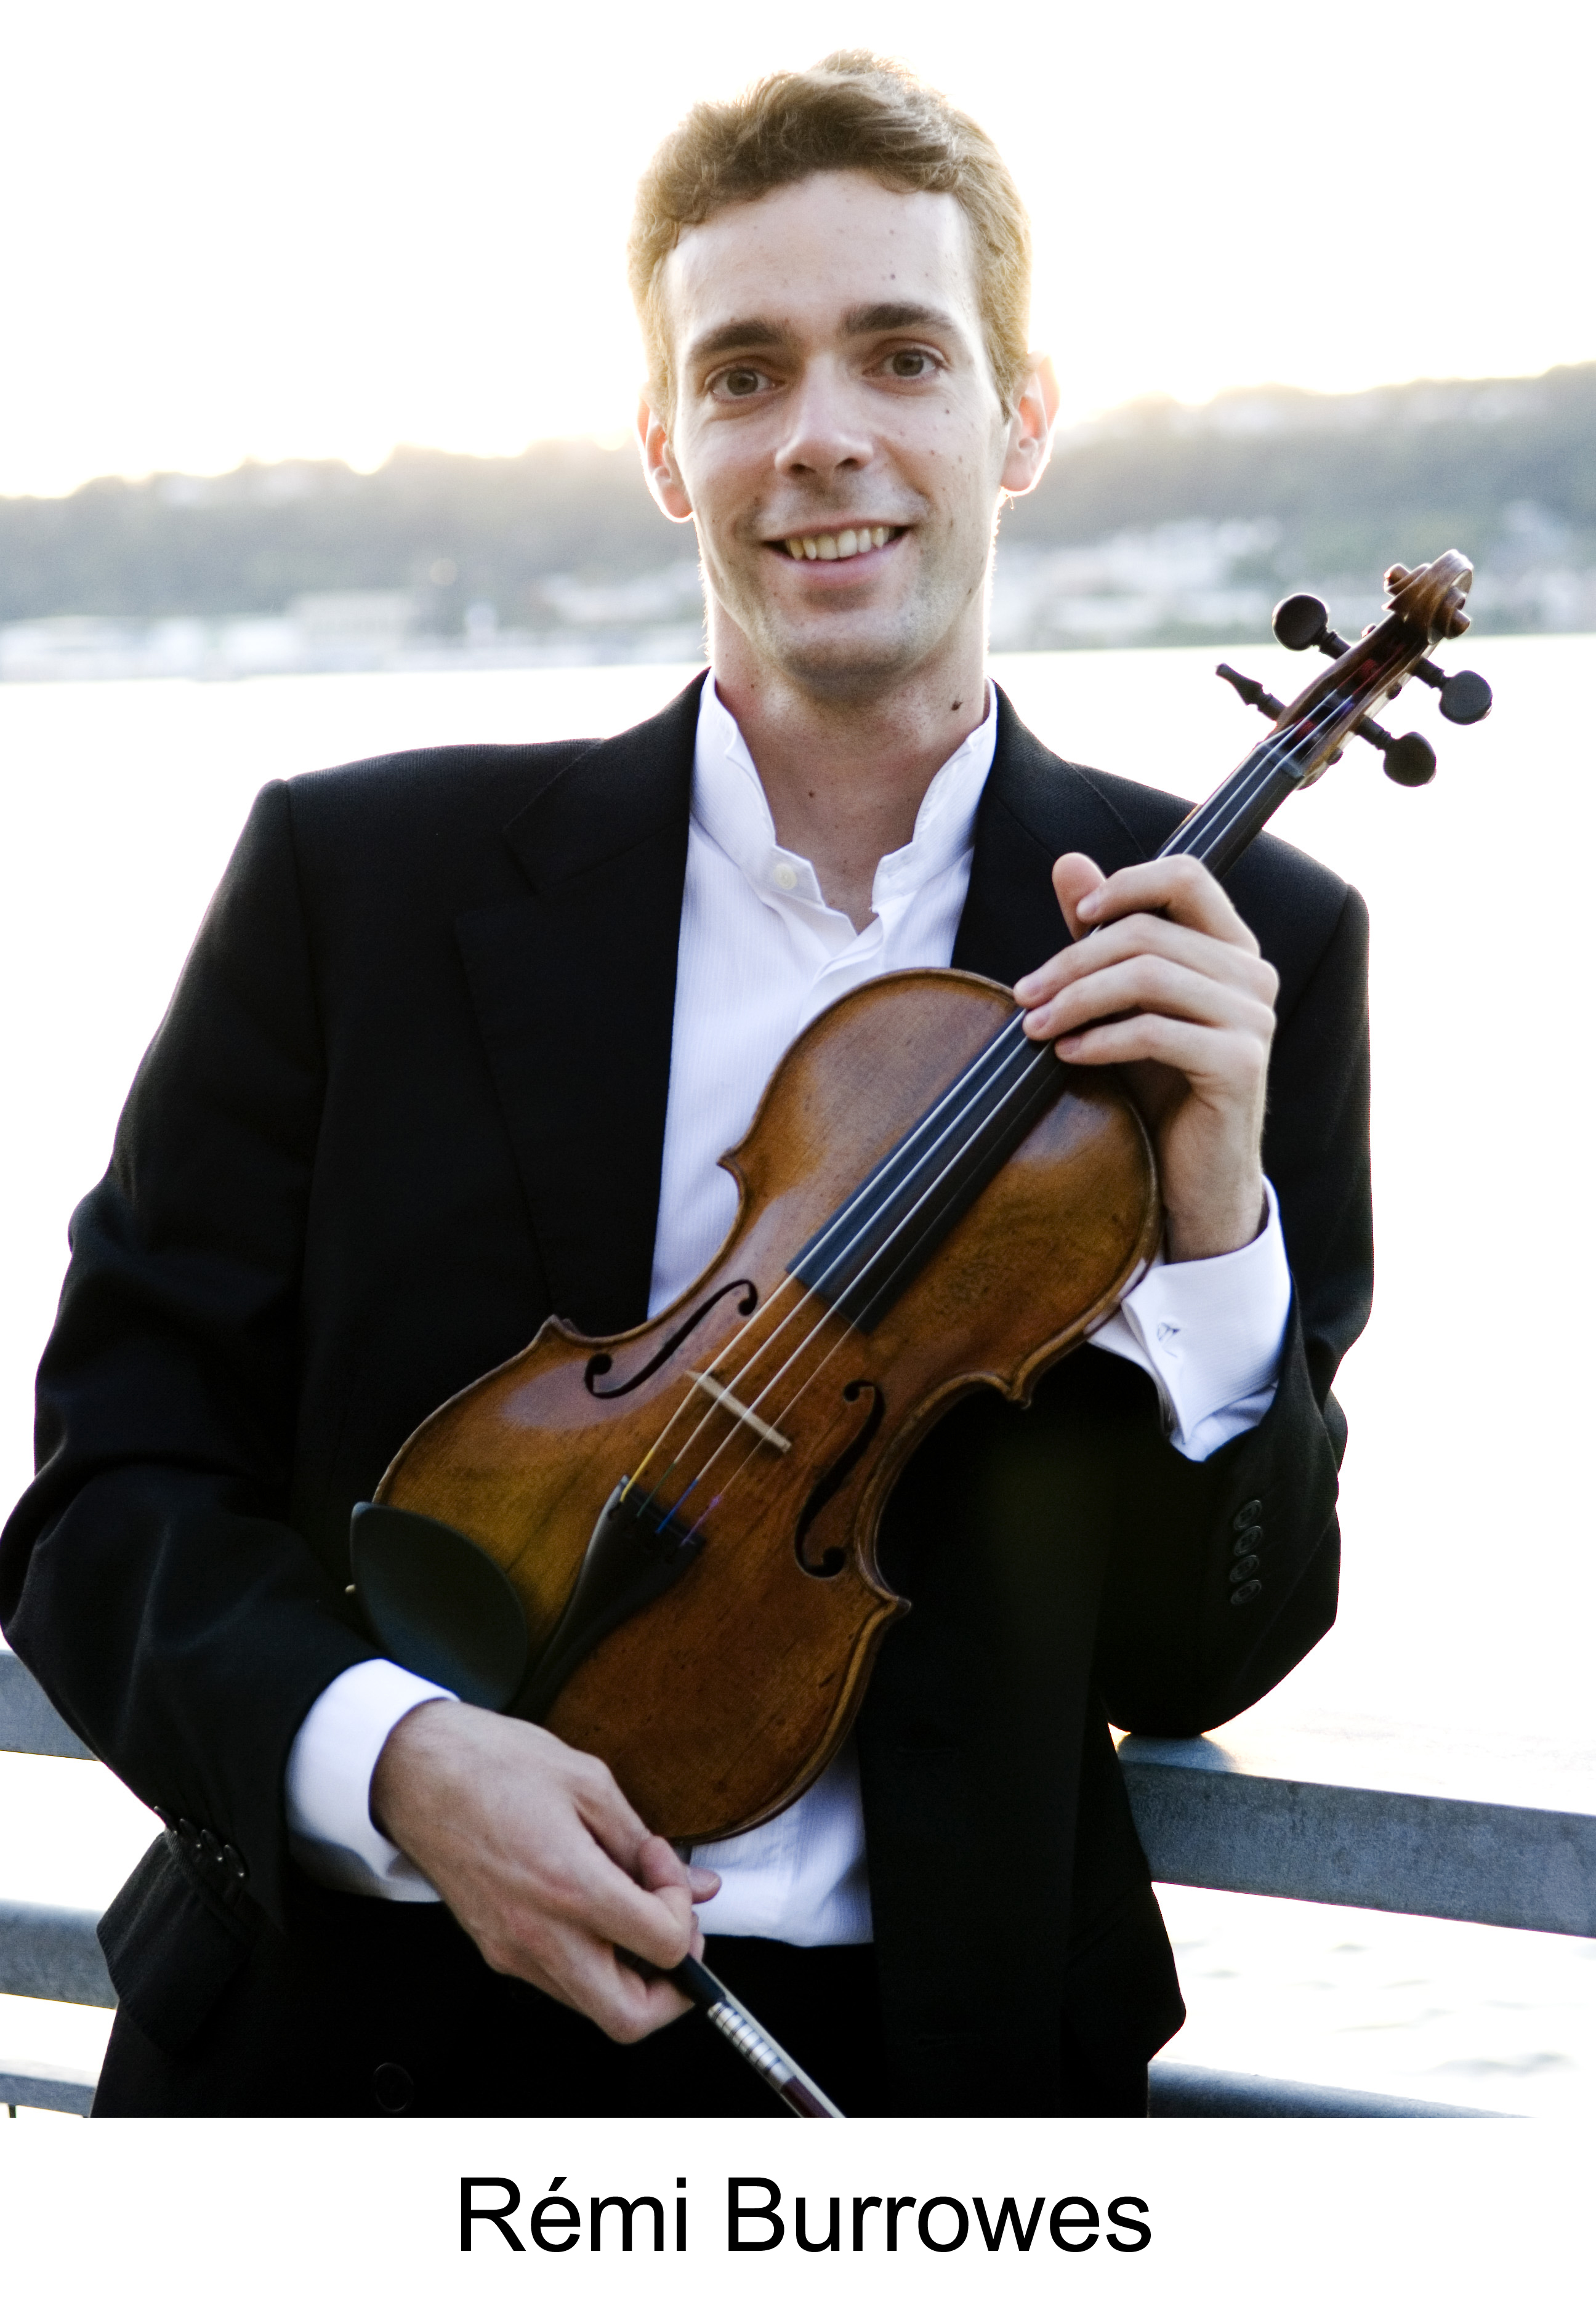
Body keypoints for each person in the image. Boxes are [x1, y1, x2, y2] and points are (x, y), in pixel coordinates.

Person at [0, 54, 1371, 2117]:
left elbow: (1204, 1662)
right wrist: (388, 1757)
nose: (822, 437)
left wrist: (1211, 1235)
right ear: (665, 447)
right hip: (348, 2048)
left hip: (916, 2104)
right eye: (745, 374)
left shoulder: (1245, 958)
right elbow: (110, 1495)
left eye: (902, 356)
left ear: (1019, 418)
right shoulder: (351, 885)